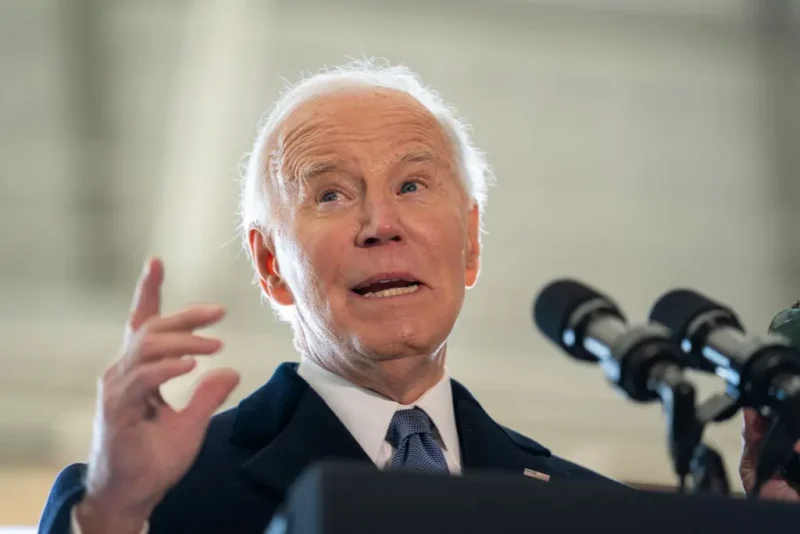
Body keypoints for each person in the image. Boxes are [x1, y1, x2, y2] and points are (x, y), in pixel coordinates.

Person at [39, 61, 800, 534]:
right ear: (270, 265)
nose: (381, 225)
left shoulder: (588, 509)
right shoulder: (151, 496)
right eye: (332, 195)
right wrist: (115, 515)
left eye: (412, 185)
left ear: (470, 240)